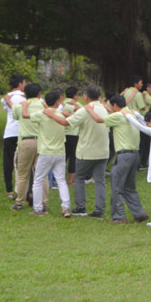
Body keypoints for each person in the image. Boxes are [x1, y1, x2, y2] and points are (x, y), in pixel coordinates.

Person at [95, 95, 148, 224]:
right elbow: (111, 114)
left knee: (117, 186)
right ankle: (139, 213)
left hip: (123, 156)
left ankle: (119, 217)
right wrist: (106, 106)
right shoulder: (132, 114)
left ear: (115, 105)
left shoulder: (118, 116)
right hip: (135, 155)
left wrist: (89, 109)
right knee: (129, 187)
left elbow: (98, 119)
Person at [59, 85, 110, 218]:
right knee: (100, 180)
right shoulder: (104, 109)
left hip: (86, 151)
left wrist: (52, 114)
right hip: (103, 150)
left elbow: (66, 123)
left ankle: (80, 207)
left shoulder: (85, 110)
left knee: (79, 177)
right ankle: (99, 210)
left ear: (86, 96)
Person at [26, 90, 71, 217]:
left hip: (45, 152)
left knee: (38, 181)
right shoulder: (61, 115)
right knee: (61, 180)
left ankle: (38, 208)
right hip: (60, 152)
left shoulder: (41, 114)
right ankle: (66, 208)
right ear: (57, 102)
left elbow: (26, 116)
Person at [10, 83, 49, 211]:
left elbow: (16, 116)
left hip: (26, 141)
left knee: (23, 175)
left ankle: (19, 202)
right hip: (42, 142)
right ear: (39, 94)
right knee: (42, 175)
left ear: (25, 94)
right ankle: (44, 203)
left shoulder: (20, 106)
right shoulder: (44, 106)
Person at [1, 75, 26, 199]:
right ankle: (22, 188)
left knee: (8, 160)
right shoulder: (26, 97)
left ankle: (9, 190)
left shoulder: (6, 98)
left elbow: (7, 107)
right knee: (23, 161)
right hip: (23, 132)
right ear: (20, 84)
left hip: (10, 132)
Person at [61, 86, 80, 185]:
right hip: (73, 134)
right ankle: (70, 180)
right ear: (75, 95)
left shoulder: (62, 104)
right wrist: (75, 104)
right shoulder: (77, 105)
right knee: (73, 157)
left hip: (63, 133)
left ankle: (59, 178)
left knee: (63, 156)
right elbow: (82, 111)